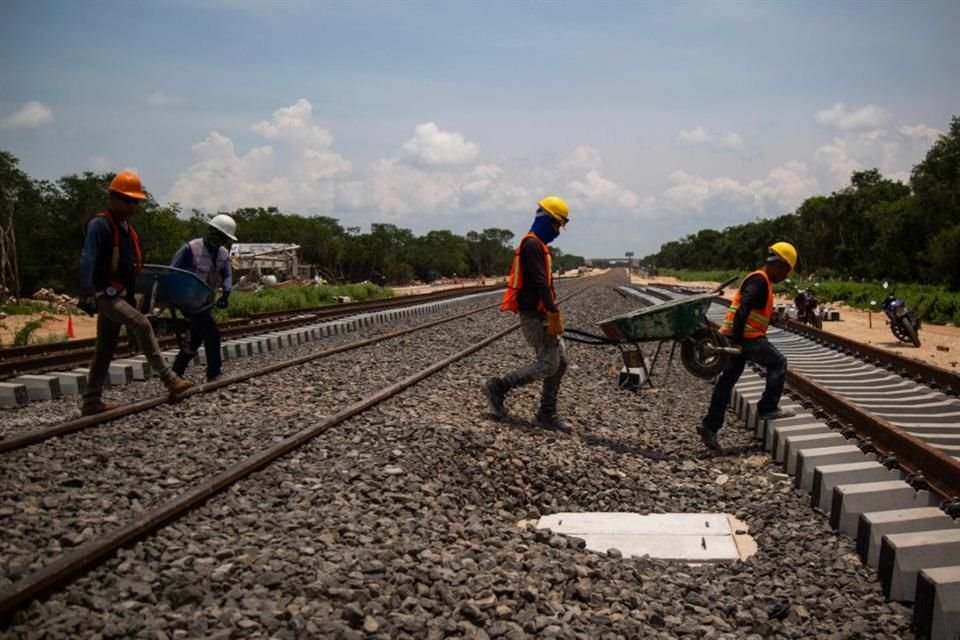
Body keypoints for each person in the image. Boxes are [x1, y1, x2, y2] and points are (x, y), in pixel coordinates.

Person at [78, 171, 193, 415]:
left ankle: (91, 400)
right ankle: (169, 378)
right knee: (142, 324)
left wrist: (131, 296)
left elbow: (129, 268)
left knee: (105, 348)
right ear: (113, 198)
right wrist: (86, 291)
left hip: (119, 293)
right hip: (104, 293)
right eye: (127, 200)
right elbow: (88, 257)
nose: (132, 206)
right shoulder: (100, 225)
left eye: (135, 201)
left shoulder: (127, 230)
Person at [482, 196, 572, 432]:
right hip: (535, 316)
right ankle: (498, 387)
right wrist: (553, 312)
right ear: (546, 219)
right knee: (548, 364)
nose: (557, 232)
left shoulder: (537, 245)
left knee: (560, 363)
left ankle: (546, 414)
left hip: (539, 313)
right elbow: (541, 283)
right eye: (556, 225)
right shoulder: (532, 245)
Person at [698, 242, 798, 451]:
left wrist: (774, 318)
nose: (785, 277)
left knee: (726, 382)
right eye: (786, 271)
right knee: (778, 362)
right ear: (779, 265)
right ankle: (768, 407)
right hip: (746, 336)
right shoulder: (759, 281)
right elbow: (743, 309)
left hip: (737, 334)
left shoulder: (762, 281)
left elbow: (753, 311)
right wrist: (737, 339)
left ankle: (710, 426)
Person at [169, 214, 236, 382]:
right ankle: (214, 373)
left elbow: (227, 274)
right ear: (210, 231)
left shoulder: (223, 254)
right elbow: (171, 272)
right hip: (188, 302)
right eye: (218, 235)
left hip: (204, 303)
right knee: (212, 334)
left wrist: (226, 293)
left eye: (224, 238)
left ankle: (176, 372)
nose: (220, 240)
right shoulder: (190, 249)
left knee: (196, 338)